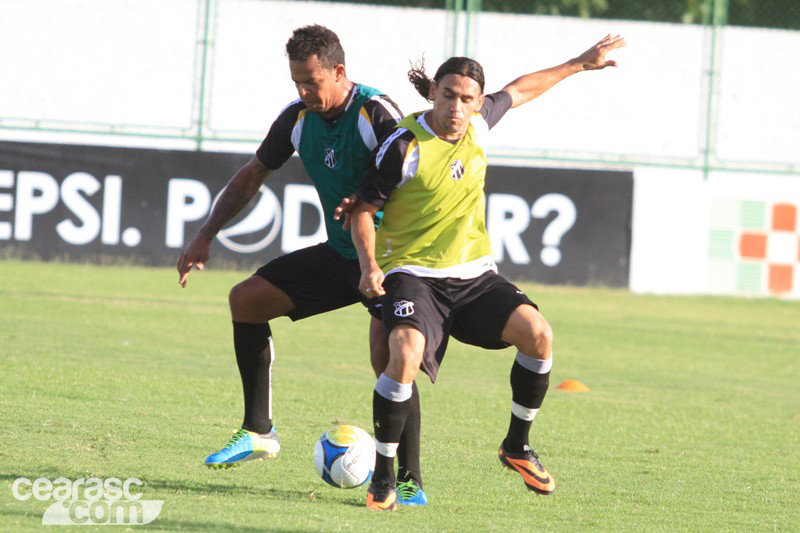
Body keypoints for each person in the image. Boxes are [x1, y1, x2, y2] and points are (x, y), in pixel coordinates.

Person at [339, 34, 625, 511]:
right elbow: (363, 211)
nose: (456, 106)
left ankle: (516, 445)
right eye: (448, 94)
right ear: (433, 92)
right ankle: (385, 479)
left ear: (477, 103)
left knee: (539, 335)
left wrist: (579, 63)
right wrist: (370, 267)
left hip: (473, 275)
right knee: (403, 355)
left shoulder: (479, 126)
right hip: (413, 273)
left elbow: (523, 89)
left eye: (467, 98)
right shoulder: (404, 145)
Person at [176, 24, 427, 505]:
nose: (304, 91)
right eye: (297, 82)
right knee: (246, 301)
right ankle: (258, 432)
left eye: (312, 81)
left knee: (392, 360)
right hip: (340, 254)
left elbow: (416, 168)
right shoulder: (296, 118)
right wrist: (206, 234)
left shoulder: (376, 112)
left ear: (339, 71)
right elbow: (253, 176)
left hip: (394, 261)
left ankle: (410, 480)